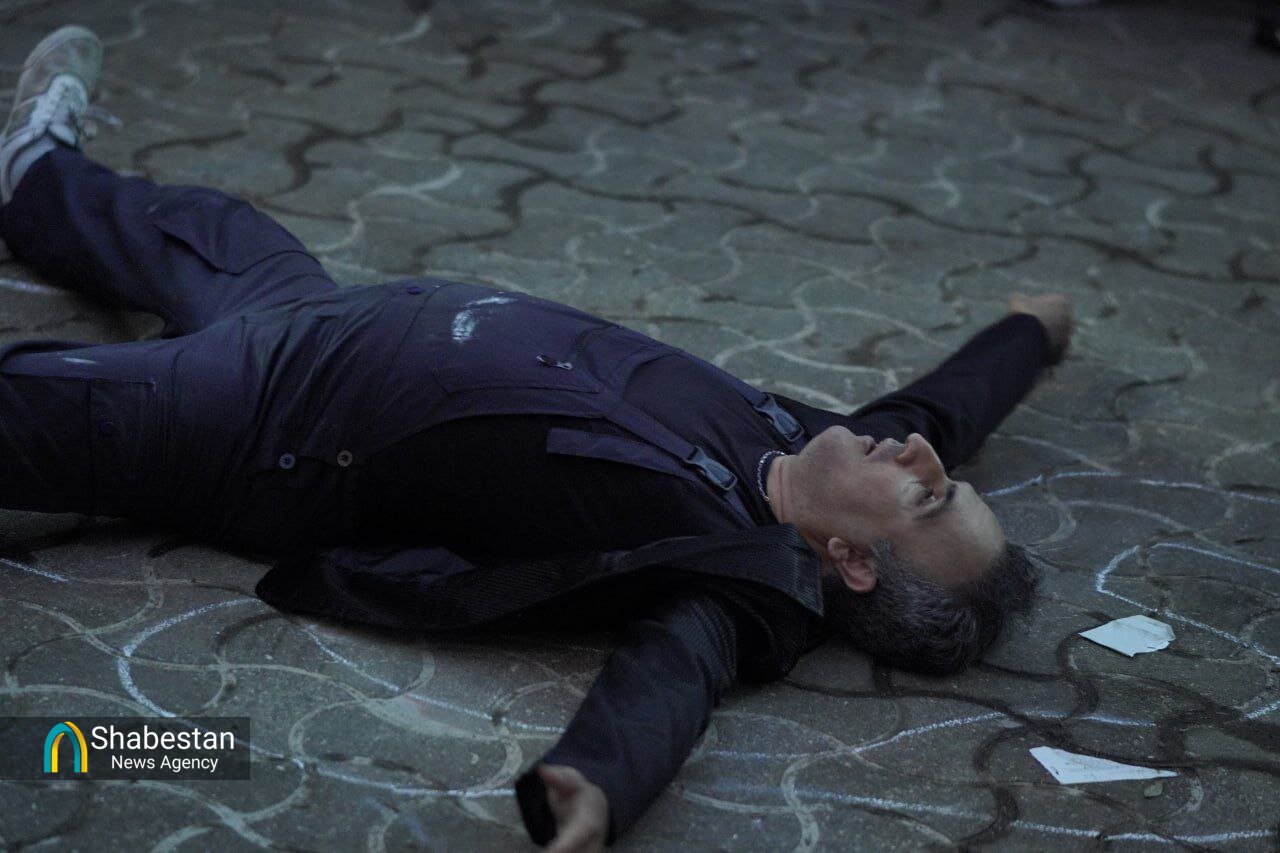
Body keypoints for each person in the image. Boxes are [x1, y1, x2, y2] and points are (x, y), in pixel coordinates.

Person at [0, 26, 1070, 853]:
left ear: (849, 560)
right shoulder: (812, 445)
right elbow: (945, 410)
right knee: (202, 229)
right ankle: (37, 168)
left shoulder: (731, 576)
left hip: (256, 420)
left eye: (929, 496)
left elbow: (671, 678)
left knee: (38, 403)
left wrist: (597, 785)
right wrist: (1032, 330)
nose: (919, 458)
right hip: (319, 312)